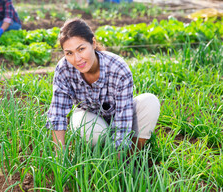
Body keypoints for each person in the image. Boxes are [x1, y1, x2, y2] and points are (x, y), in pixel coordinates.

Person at [46, 18, 160, 154]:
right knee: (85, 125)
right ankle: (100, 154)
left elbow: (124, 118)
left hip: (120, 116)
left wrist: (118, 166)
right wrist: (60, 158)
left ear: (93, 43)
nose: (77, 59)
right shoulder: (64, 68)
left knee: (149, 102)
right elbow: (58, 114)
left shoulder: (117, 67)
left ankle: (131, 156)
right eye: (69, 53)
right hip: (91, 118)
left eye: (81, 49)